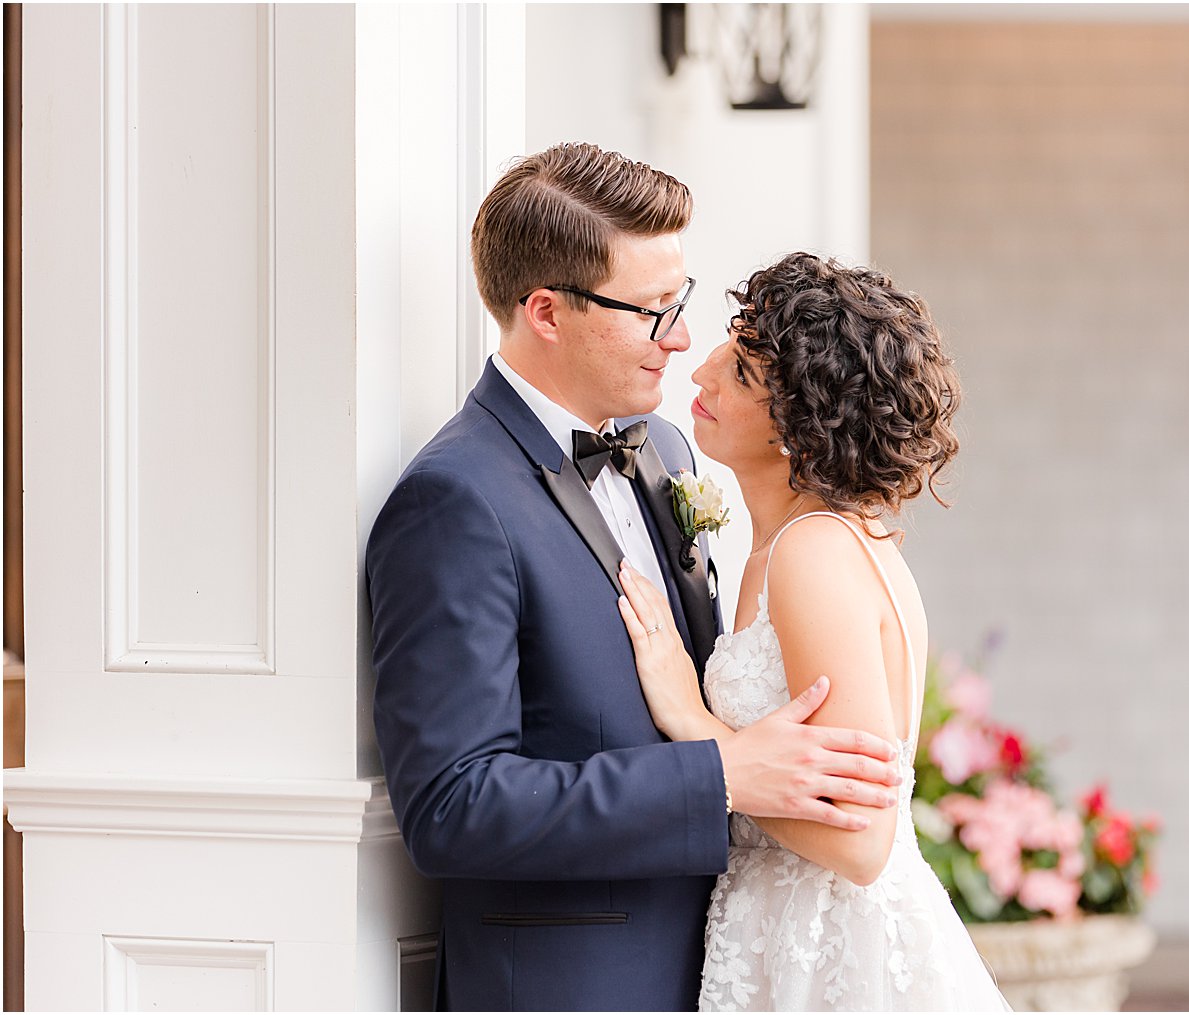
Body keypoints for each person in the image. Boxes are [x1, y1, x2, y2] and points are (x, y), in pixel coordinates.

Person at [366, 145, 905, 1012]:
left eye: (680, 300)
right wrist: (721, 775)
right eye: (653, 309)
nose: (683, 338)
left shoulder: (666, 452)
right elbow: (453, 805)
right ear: (546, 311)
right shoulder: (453, 500)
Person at [617, 252, 1012, 1011]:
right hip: (781, 925)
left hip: (831, 950)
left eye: (739, 373)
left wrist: (696, 724)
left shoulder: (814, 553)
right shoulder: (806, 543)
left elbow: (862, 843)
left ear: (801, 424)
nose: (700, 370)